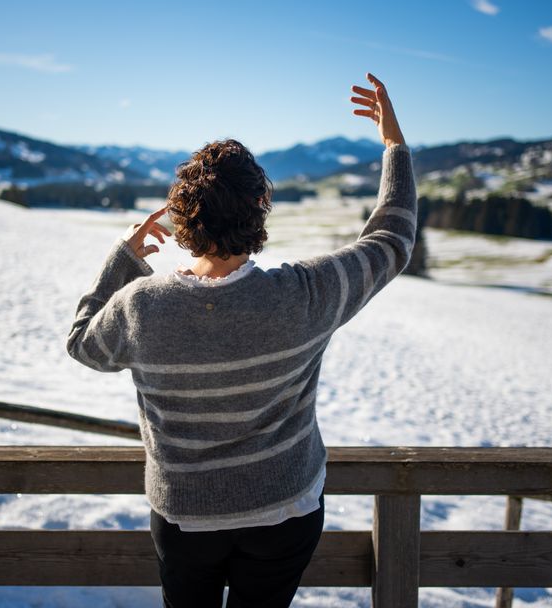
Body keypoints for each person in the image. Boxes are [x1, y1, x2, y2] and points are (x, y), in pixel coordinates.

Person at [66, 72, 416, 608]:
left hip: (184, 519)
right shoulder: (304, 294)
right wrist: (393, 145)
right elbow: (391, 241)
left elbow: (82, 343)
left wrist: (124, 259)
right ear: (258, 210)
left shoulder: (141, 306)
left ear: (184, 217)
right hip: (285, 512)